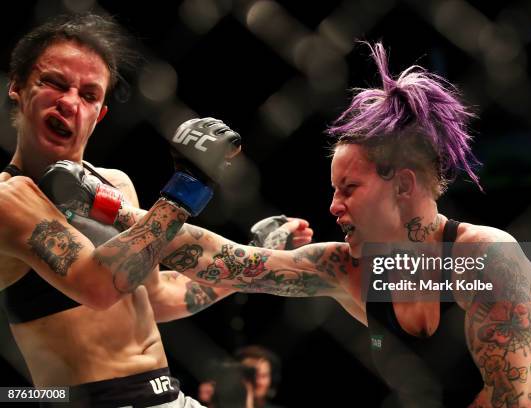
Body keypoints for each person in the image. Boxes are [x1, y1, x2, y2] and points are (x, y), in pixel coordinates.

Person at [108, 43, 531, 407]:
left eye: (348, 188)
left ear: (402, 186)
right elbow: (227, 262)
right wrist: (105, 203)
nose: (333, 206)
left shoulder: (486, 258)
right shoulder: (349, 269)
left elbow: (514, 403)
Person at [0, 13, 311, 407]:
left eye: (89, 95)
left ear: (101, 115)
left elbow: (159, 295)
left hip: (168, 395)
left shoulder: (116, 184)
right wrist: (187, 189)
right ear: (17, 86)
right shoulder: (7, 201)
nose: (69, 103)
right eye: (54, 83)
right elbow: (97, 286)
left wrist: (257, 248)